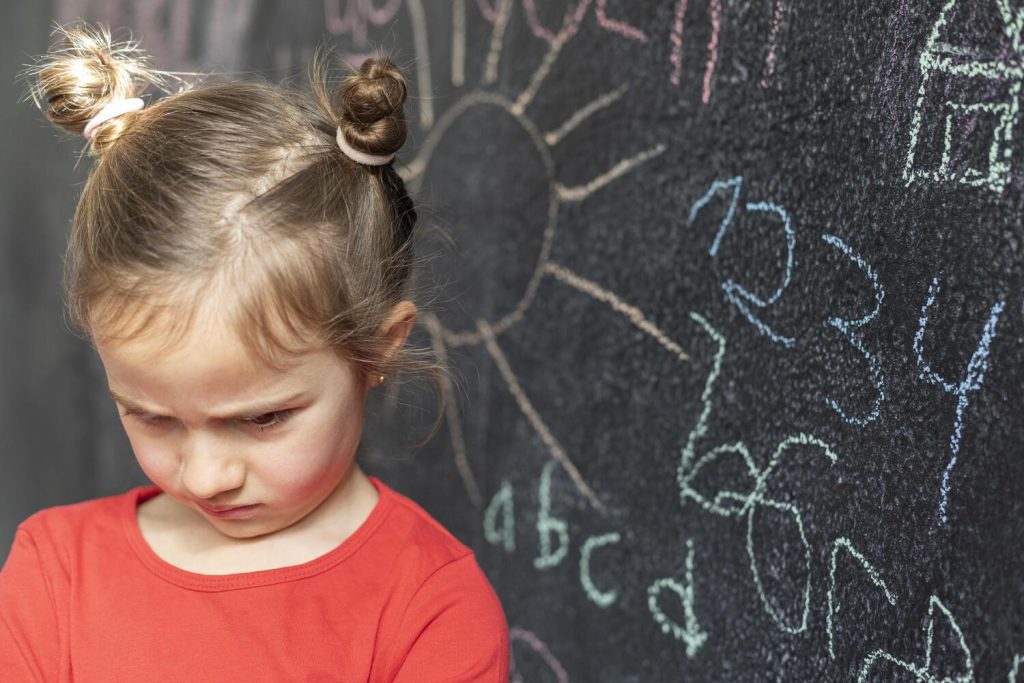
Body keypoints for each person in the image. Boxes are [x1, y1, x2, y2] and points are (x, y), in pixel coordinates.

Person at [0, 21, 510, 682]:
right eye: (152, 415)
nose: (207, 475)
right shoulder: (54, 571)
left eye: (263, 418)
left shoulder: (431, 610)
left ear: (377, 349)